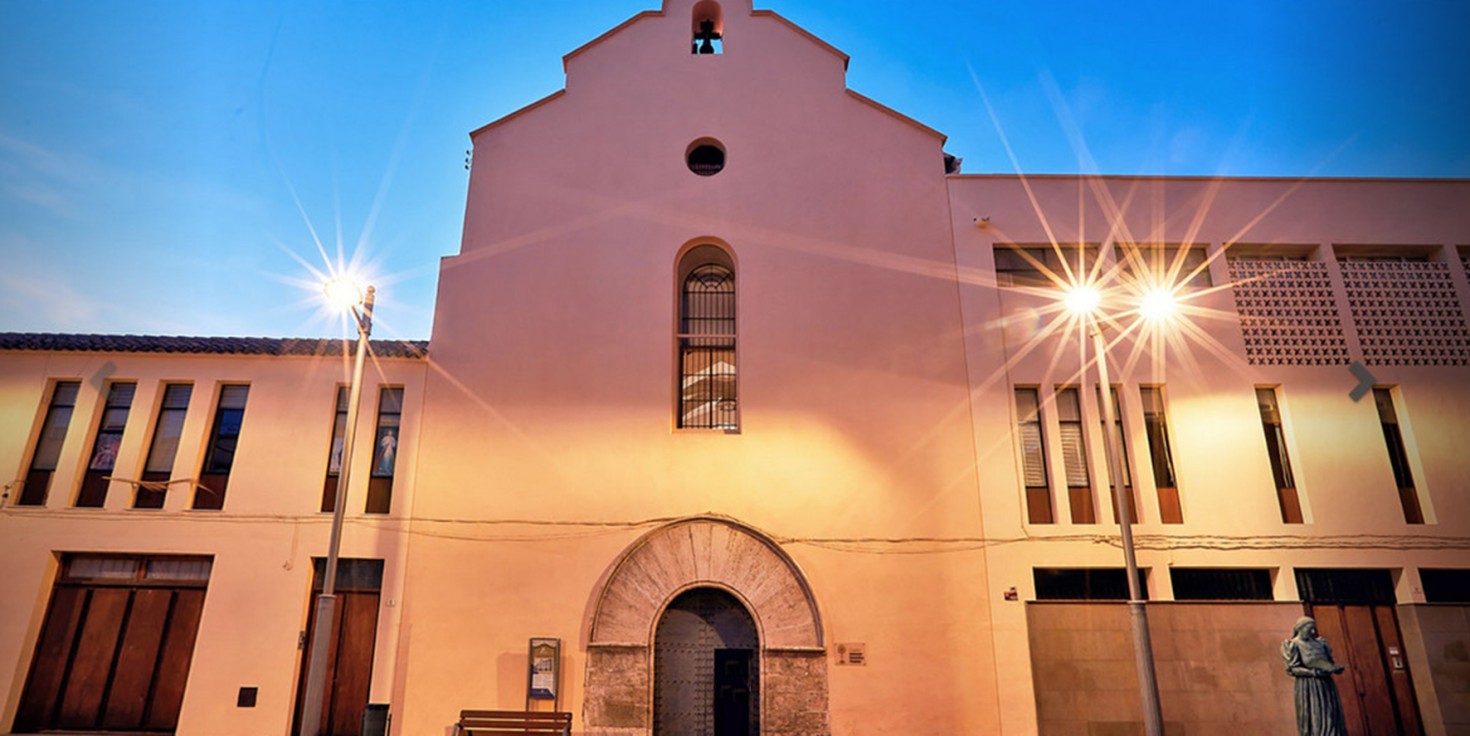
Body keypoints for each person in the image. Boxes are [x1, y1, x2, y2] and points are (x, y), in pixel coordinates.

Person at [1282, 616, 1347, 736]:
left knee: (1330, 715)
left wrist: (1334, 668)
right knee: (1315, 715)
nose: (1312, 632)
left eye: (1314, 629)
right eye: (1309, 628)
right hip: (1308, 686)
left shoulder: (1321, 643)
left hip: (1326, 685)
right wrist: (1312, 673)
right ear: (1300, 628)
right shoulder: (1294, 645)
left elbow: (1329, 662)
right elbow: (1292, 669)